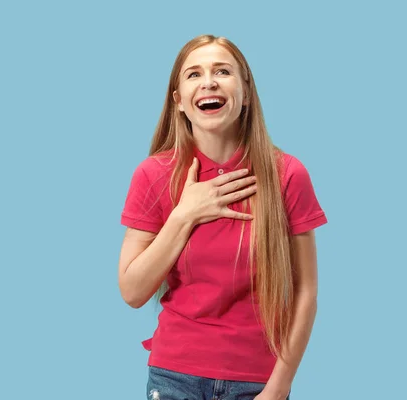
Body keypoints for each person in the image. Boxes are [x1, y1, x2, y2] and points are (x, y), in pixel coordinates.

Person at [118, 34, 328, 400]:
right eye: (194, 74)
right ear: (179, 101)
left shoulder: (288, 175)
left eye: (222, 71)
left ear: (246, 93)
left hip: (257, 381)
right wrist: (185, 214)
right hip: (174, 377)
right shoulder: (152, 175)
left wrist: (278, 388)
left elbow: (305, 292)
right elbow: (133, 291)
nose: (209, 81)